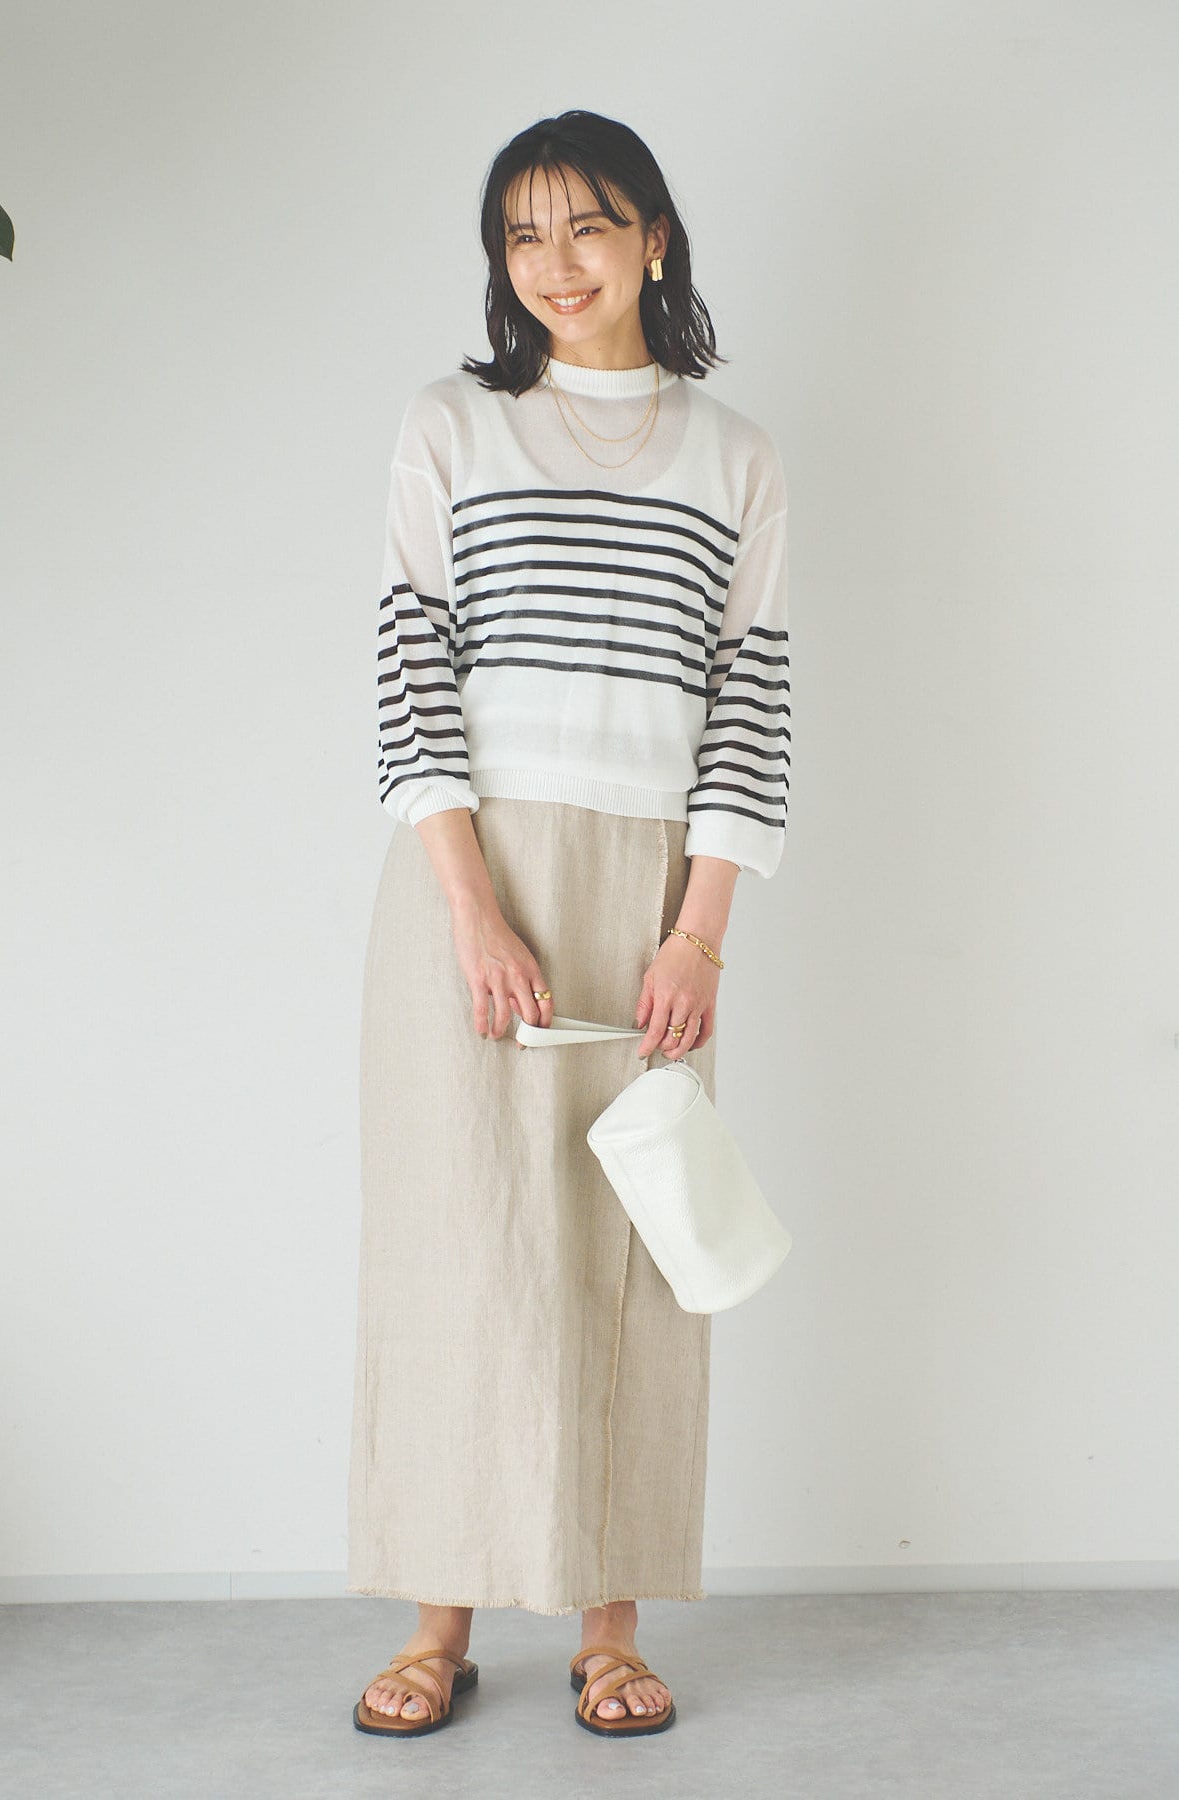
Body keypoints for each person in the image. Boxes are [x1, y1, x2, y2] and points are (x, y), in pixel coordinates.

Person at [348, 108, 790, 1739]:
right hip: (471, 877)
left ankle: (610, 1632)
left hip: (652, 888)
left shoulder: (732, 456)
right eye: (523, 235)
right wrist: (473, 910)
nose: (557, 264)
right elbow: (410, 668)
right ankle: (437, 1623)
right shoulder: (452, 423)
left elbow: (752, 704)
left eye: (588, 226)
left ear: (654, 237)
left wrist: (699, 934)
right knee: (462, 1248)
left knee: (624, 1259)